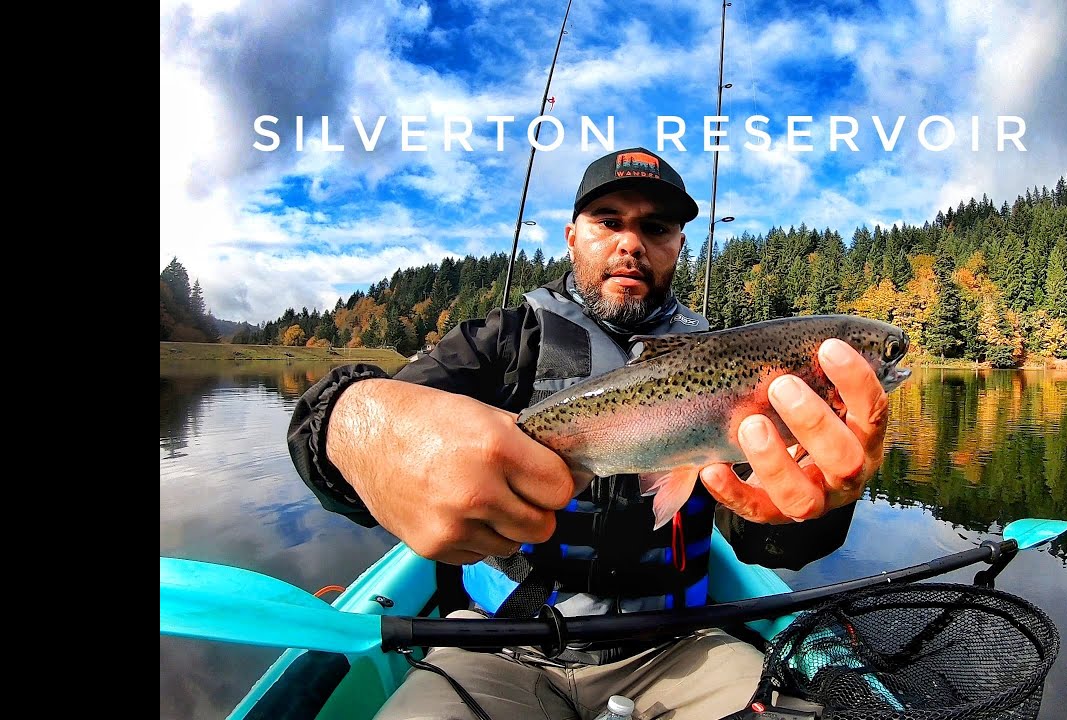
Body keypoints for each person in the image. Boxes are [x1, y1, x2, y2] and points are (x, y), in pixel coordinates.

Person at [287, 147, 890, 720]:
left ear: (678, 245)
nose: (631, 242)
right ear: (573, 234)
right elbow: (327, 440)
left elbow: (761, 546)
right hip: (497, 645)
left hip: (679, 649)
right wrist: (351, 423)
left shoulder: (739, 363)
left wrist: (818, 506)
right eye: (608, 221)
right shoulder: (500, 345)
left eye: (655, 228)